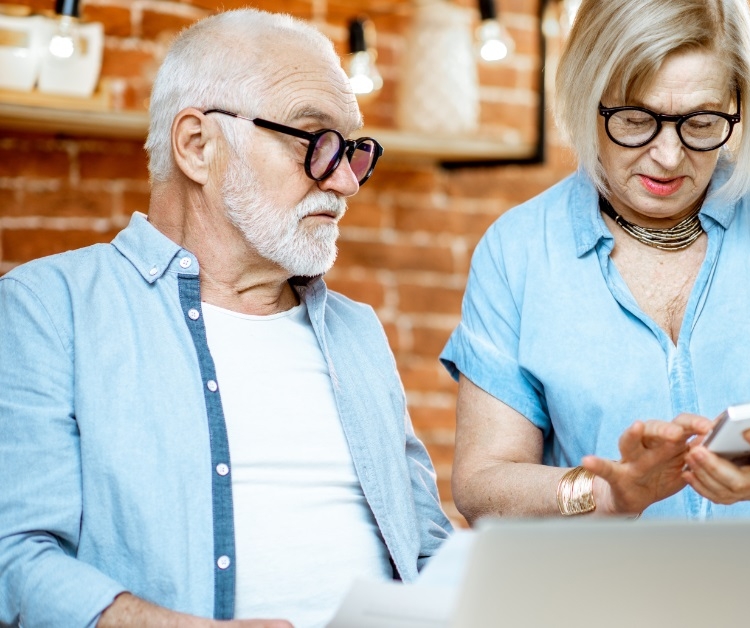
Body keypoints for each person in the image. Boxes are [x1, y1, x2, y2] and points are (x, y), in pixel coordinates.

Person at [439, 0, 750, 625]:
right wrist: (606, 495)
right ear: (588, 95)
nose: (668, 156)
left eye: (700, 122)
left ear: (739, 105)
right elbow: (481, 485)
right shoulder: (519, 250)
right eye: (636, 119)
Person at [0, 9, 452, 628]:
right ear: (197, 145)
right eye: (314, 141)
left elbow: (428, 548)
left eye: (353, 150)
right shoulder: (49, 309)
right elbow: (14, 559)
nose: (345, 181)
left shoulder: (358, 332)